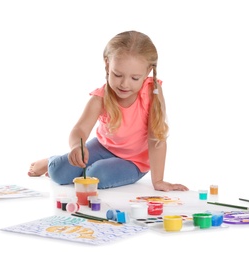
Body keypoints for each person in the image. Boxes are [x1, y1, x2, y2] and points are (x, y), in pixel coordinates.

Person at [28, 30, 189, 192]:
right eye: (118, 75)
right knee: (58, 172)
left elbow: (156, 138)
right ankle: (50, 161)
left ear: (147, 72)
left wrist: (158, 180)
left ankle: (93, 168)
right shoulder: (101, 97)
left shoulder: (152, 92)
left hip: (135, 161)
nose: (125, 84)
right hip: (103, 147)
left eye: (135, 78)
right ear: (107, 64)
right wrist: (78, 146)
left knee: (96, 175)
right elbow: (80, 129)